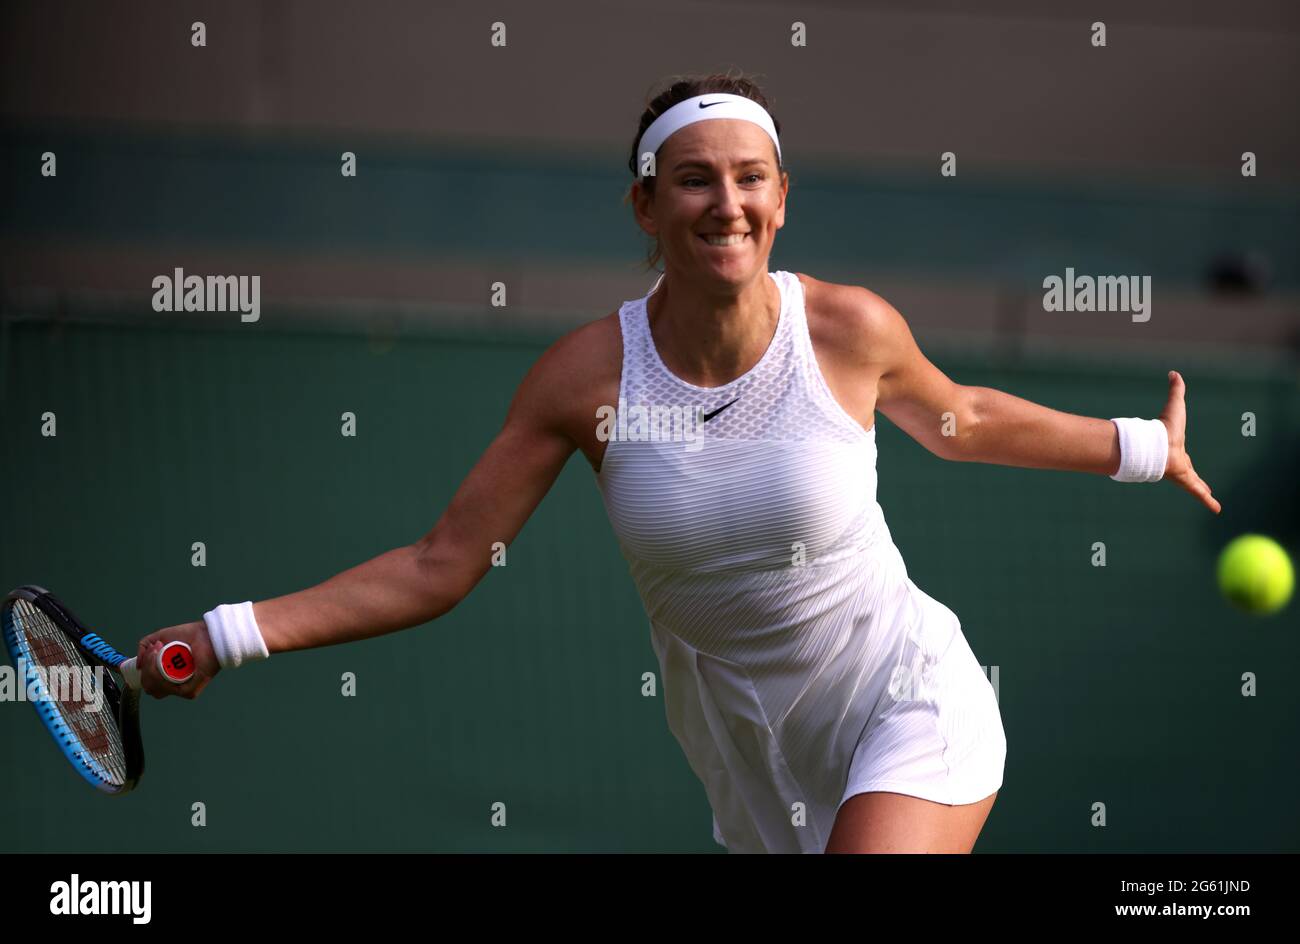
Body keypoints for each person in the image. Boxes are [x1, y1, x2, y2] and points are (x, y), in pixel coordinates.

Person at [135, 72, 1221, 854]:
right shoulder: (582, 380)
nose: (727, 203)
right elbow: (440, 562)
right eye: (693, 181)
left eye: (750, 178)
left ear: (782, 197)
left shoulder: (848, 329)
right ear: (646, 207)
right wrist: (226, 634)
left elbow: (963, 420)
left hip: (905, 692)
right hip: (744, 752)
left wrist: (1137, 447)